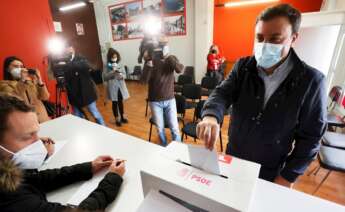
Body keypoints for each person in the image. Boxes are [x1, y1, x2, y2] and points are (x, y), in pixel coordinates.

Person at [197, 4, 327, 188]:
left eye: (275, 39)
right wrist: (211, 115)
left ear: (294, 38)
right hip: (233, 159)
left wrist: (287, 177)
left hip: (271, 171)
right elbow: (222, 92)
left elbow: (311, 138)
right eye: (259, 38)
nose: (265, 45)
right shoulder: (243, 66)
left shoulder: (312, 82)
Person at [0, 94, 126, 211]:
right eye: (27, 136)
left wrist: (89, 167)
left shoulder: (9, 167)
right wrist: (113, 179)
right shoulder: (13, 200)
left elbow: (37, 179)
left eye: (36, 133)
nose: (39, 142)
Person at [141, 36, 184, 146]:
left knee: (174, 127)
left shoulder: (171, 58)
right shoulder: (150, 62)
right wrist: (148, 63)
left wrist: (168, 57)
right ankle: (164, 147)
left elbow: (179, 69)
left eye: (163, 44)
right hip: (155, 101)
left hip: (170, 99)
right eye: (159, 45)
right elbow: (143, 81)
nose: (160, 48)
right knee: (160, 129)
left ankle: (178, 150)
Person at [64, 43, 106, 126]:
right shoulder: (63, 62)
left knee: (95, 113)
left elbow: (84, 66)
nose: (68, 51)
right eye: (66, 50)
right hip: (73, 95)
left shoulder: (80, 58)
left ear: (73, 49)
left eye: (70, 49)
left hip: (87, 93)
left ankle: (104, 128)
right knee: (78, 117)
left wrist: (69, 64)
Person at [0, 56, 50, 122]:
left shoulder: (29, 82)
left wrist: (39, 81)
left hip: (42, 118)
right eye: (16, 66)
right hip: (25, 121)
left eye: (21, 66)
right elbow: (13, 100)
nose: (20, 69)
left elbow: (45, 97)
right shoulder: (3, 84)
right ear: (7, 69)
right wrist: (22, 80)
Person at [103, 48, 130, 127]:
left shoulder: (120, 63)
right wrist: (112, 72)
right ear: (110, 57)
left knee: (120, 102)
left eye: (116, 57)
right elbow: (105, 77)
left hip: (120, 86)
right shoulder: (107, 65)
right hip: (112, 87)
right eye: (113, 57)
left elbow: (125, 74)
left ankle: (122, 117)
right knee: (115, 103)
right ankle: (117, 118)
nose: (115, 58)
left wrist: (122, 76)